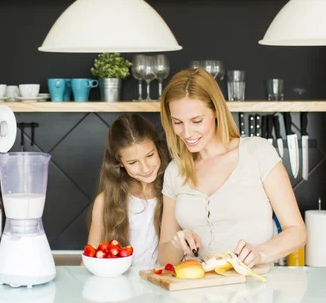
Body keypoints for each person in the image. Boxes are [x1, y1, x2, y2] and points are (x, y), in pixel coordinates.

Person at [157, 68, 307, 268]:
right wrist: (178, 244)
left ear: (216, 112)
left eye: (197, 121)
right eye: (177, 122)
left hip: (254, 292)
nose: (187, 132)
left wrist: (260, 253)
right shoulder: (175, 171)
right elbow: (164, 257)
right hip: (194, 294)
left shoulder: (257, 153)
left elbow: (297, 232)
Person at [87, 113, 170, 267]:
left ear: (158, 148)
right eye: (133, 162)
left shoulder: (172, 193)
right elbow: (90, 258)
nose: (145, 168)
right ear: (120, 163)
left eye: (150, 155)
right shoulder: (105, 201)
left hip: (164, 282)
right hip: (121, 287)